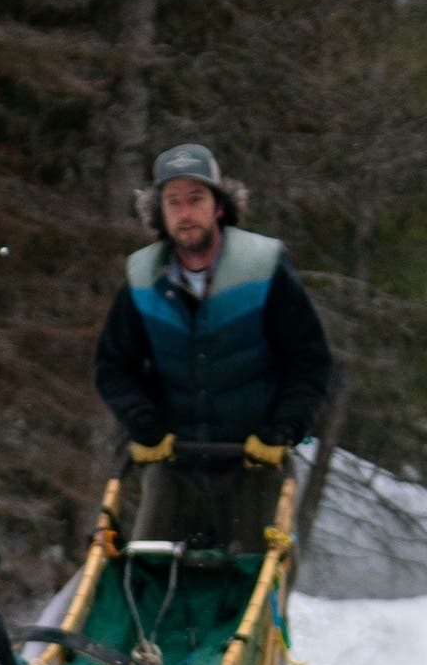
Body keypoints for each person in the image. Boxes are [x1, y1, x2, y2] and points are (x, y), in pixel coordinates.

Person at [94, 143, 334, 552]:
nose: (185, 213)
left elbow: (309, 359)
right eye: (173, 202)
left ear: (219, 206)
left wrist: (283, 428)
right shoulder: (142, 279)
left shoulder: (264, 268)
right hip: (174, 463)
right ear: (160, 212)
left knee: (254, 583)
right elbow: (114, 366)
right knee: (150, 577)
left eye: (196, 199)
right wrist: (143, 422)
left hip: (254, 461)